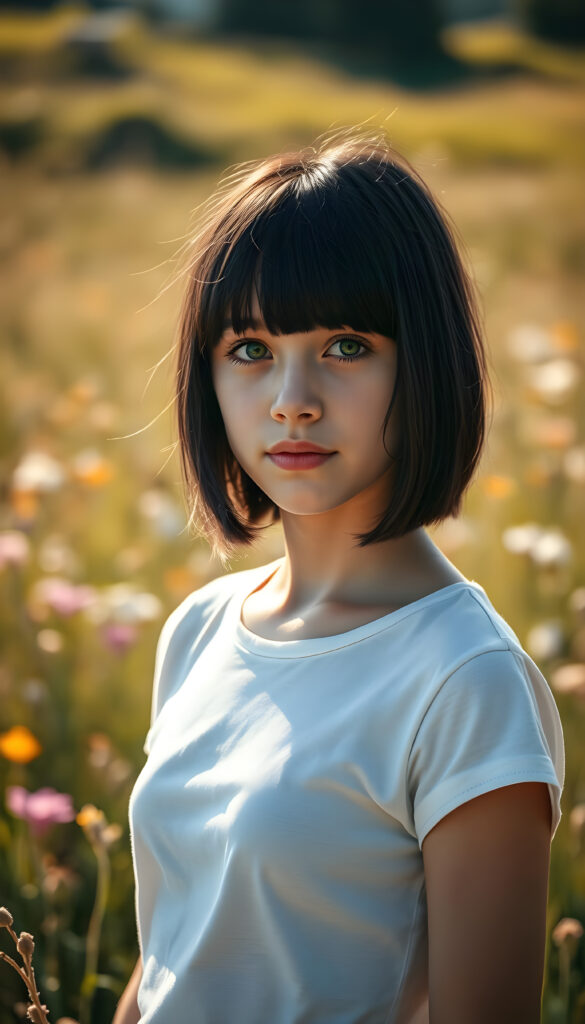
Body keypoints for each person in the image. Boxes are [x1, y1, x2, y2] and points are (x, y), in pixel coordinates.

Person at [114, 131, 565, 1024]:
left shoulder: (466, 680)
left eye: (347, 345)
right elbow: (173, 952)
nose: (292, 400)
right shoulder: (200, 628)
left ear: (425, 361)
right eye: (250, 348)